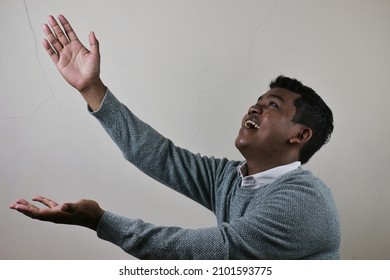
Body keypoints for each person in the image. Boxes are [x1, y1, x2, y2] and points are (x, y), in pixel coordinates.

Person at [10, 15, 340, 259]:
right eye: (257, 101)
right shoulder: (229, 178)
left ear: (300, 134)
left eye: (272, 106)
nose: (254, 108)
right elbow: (157, 156)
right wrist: (91, 88)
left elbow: (215, 252)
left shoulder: (304, 200)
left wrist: (101, 221)